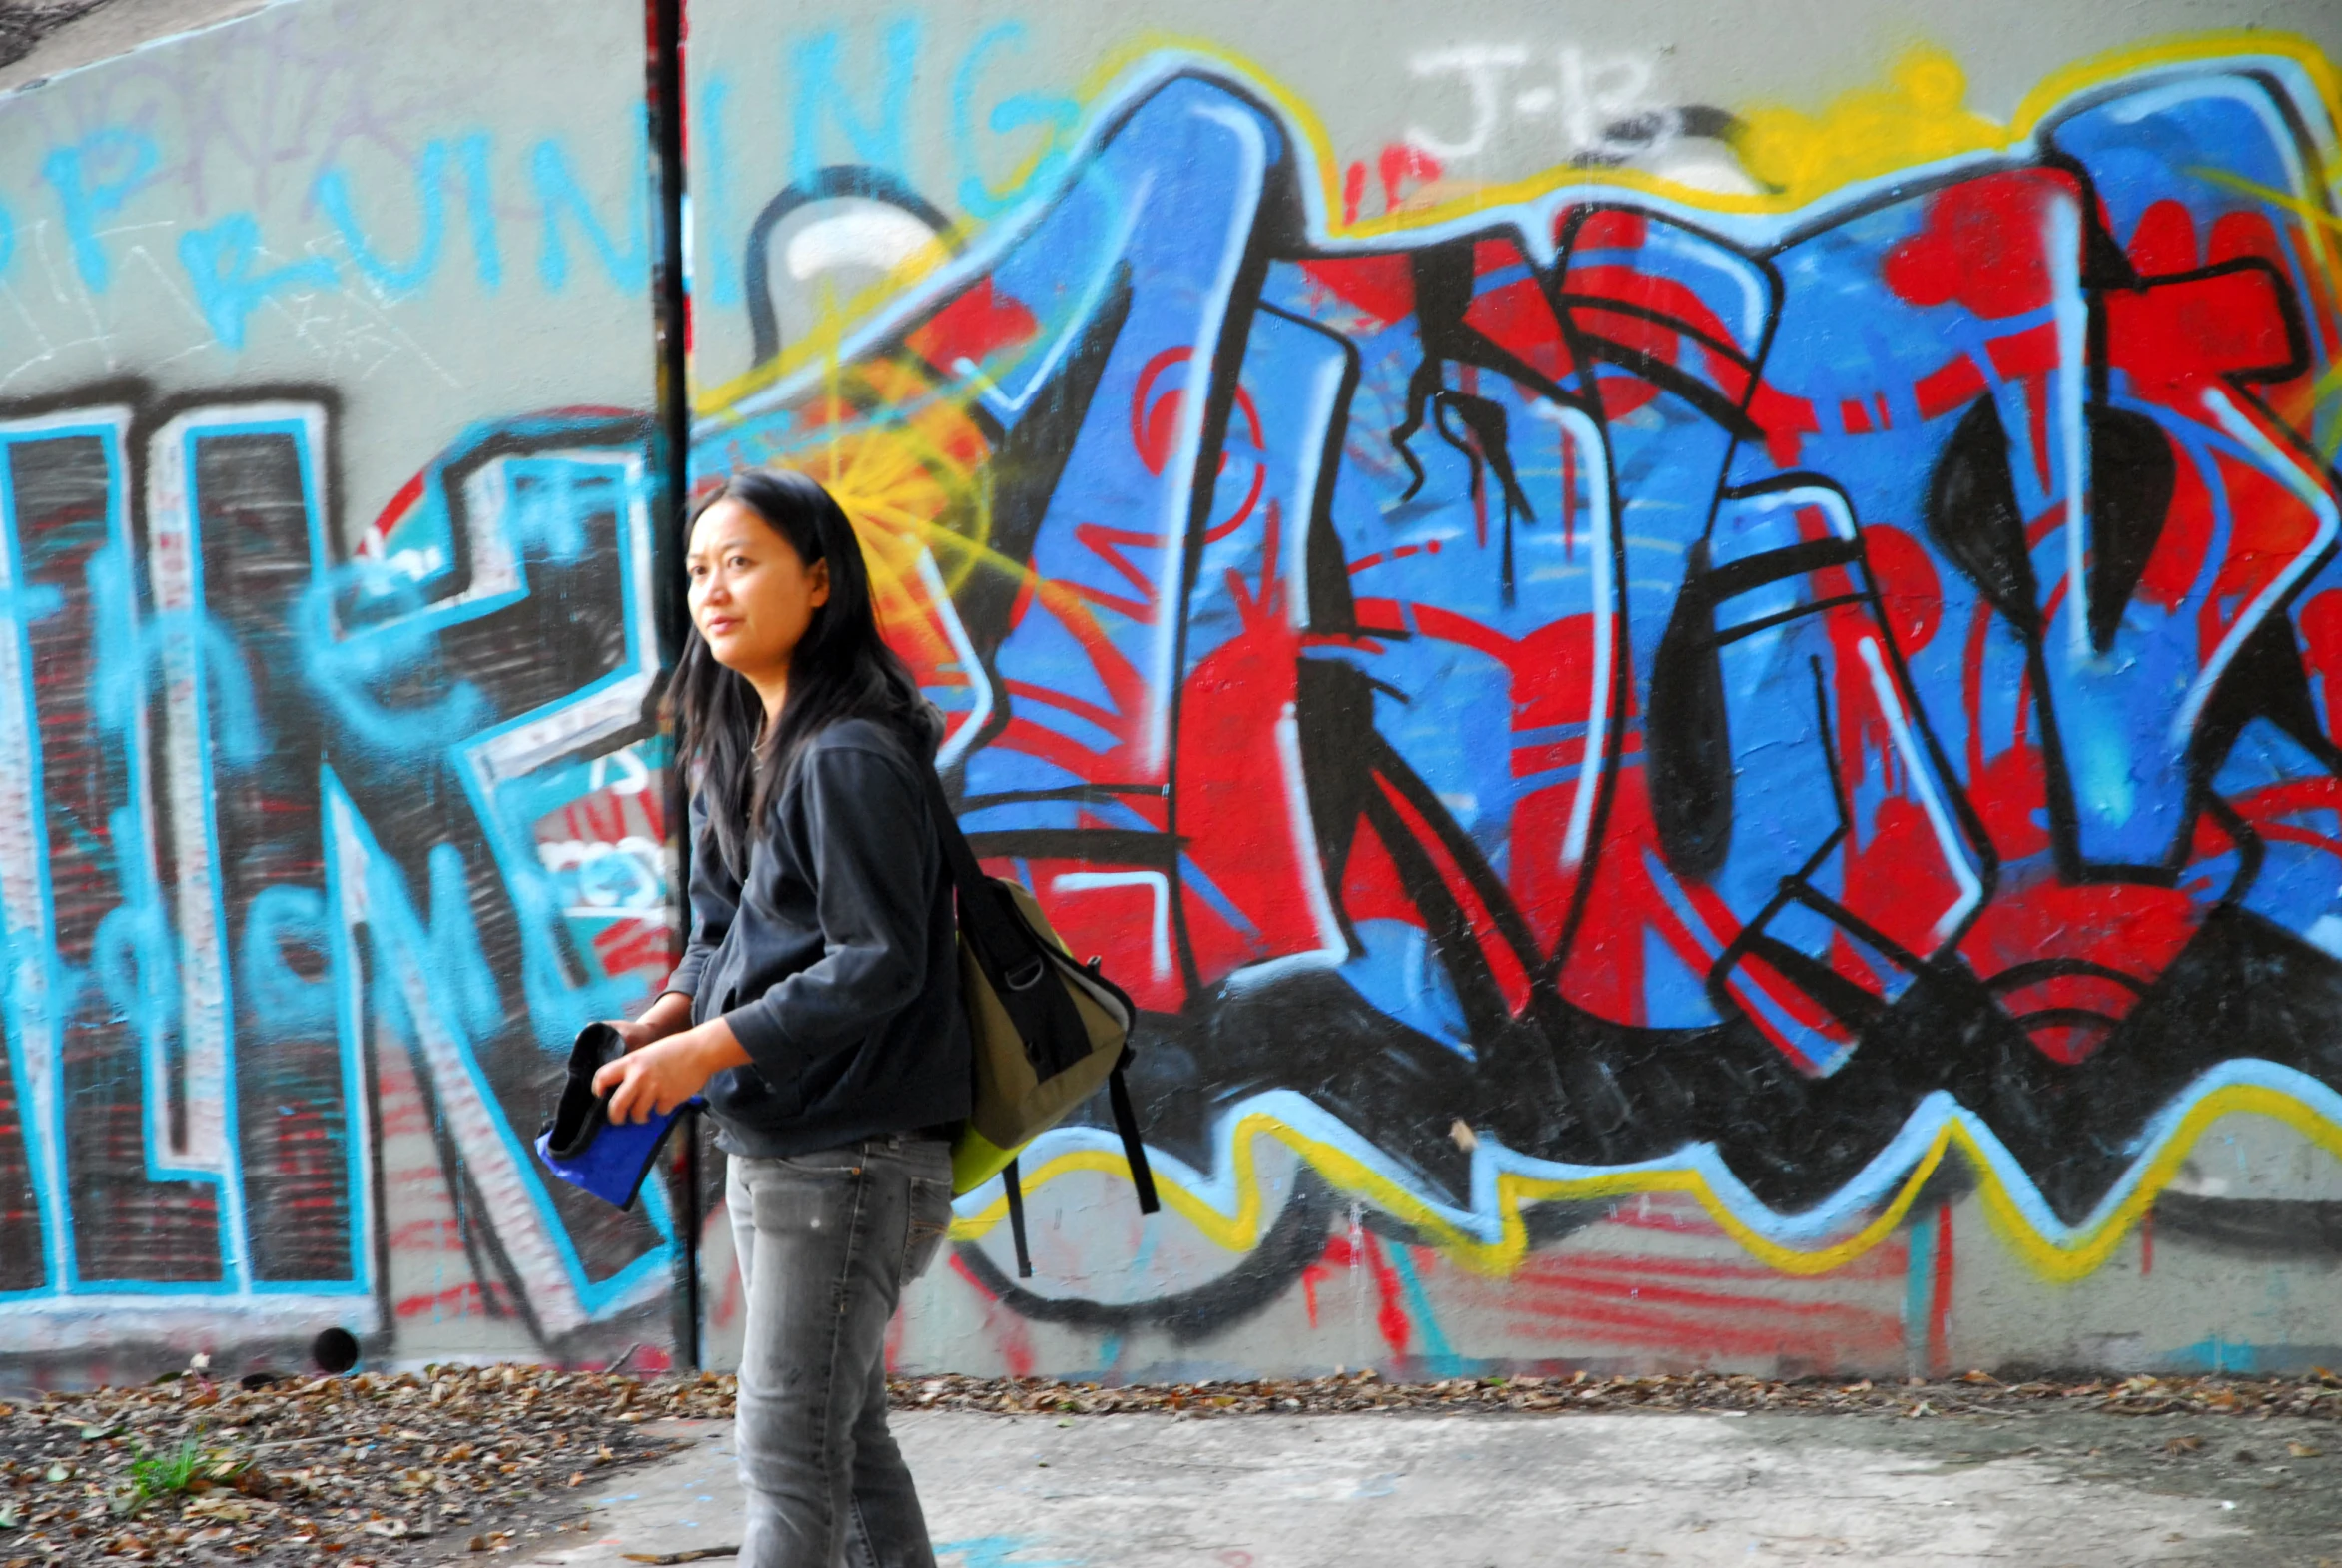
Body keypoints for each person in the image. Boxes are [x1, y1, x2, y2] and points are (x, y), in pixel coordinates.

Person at [592, 467, 970, 1568]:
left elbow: (878, 961)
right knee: (839, 1442)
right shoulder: (738, 744)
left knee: (785, 1451)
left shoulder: (846, 753)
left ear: (818, 582)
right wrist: (662, 1022)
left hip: (851, 1157)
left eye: (741, 563)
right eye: (699, 570)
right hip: (781, 1141)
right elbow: (719, 933)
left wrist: (709, 1046)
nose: (713, 590)